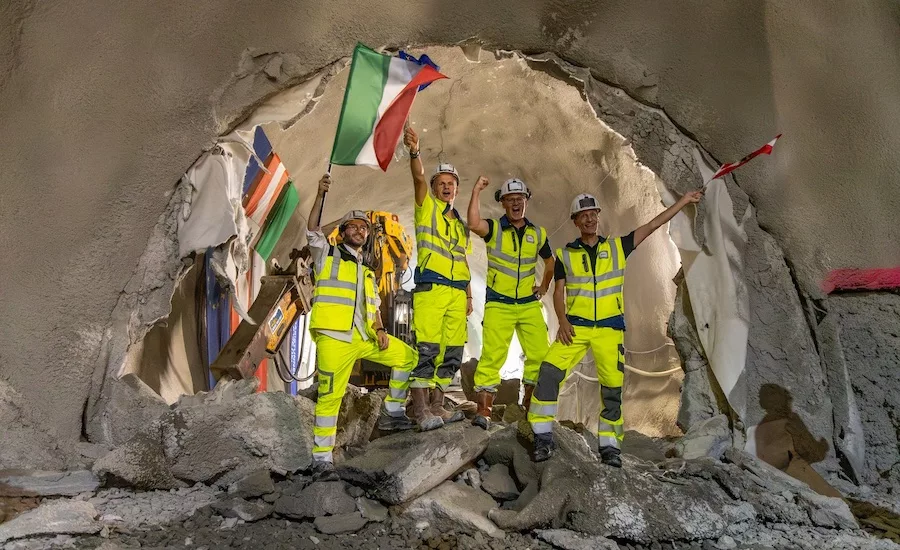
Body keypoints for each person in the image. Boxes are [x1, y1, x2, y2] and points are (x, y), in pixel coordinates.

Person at [528, 189, 704, 467]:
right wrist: (561, 320)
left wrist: (682, 202)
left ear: (598, 217)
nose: (589, 219)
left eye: (592, 214)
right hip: (575, 329)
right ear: (575, 220)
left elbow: (652, 225)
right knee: (548, 374)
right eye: (583, 215)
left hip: (609, 331)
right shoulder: (565, 255)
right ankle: (542, 437)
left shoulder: (617, 247)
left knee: (611, 390)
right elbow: (558, 291)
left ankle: (610, 448)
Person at [306, 174, 418, 481]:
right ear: (342, 233)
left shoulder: (367, 271)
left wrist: (381, 330)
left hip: (365, 337)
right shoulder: (326, 255)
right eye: (353, 226)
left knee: (407, 357)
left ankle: (393, 411)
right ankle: (321, 458)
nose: (359, 230)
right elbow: (312, 230)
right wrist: (319, 195)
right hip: (334, 337)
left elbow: (374, 307)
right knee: (331, 395)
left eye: (363, 227)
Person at [467, 177, 554, 429]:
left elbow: (550, 262)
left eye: (520, 199)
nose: (516, 203)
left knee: (539, 353)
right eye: (510, 199)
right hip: (499, 304)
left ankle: (529, 407)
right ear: (503, 203)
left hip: (528, 304)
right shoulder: (494, 229)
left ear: (526, 202)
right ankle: (484, 411)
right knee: (493, 356)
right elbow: (473, 223)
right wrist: (475, 191)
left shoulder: (537, 233)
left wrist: (544, 286)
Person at [403, 125, 471, 429]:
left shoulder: (460, 224)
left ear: (456, 189)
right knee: (427, 350)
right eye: (441, 183)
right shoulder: (426, 207)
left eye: (451, 183)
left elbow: (463, 258)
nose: (446, 187)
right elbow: (418, 176)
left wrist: (468, 294)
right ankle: (419, 411)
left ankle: (438, 406)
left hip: (457, 294)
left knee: (452, 354)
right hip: (432, 289)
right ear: (434, 188)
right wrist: (415, 151)